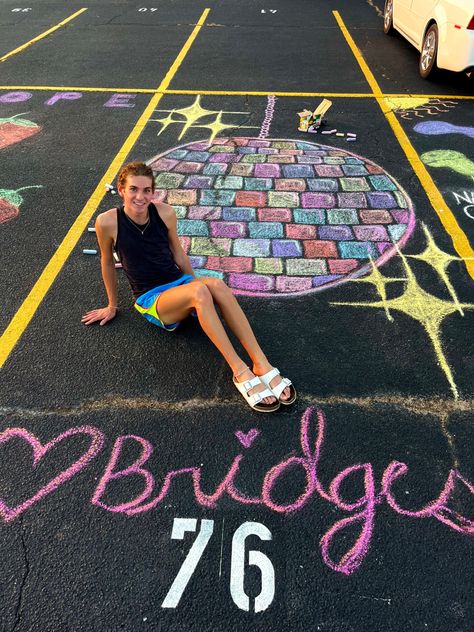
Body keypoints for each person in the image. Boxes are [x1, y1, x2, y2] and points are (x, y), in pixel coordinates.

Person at [82, 161, 296, 413]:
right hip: (152, 298)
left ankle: (261, 363)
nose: (140, 196)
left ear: (153, 192)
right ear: (121, 190)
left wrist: (198, 290)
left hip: (179, 283)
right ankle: (240, 371)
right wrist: (111, 305)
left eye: (147, 190)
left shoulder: (165, 213)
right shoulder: (107, 222)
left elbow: (179, 255)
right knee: (199, 291)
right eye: (133, 189)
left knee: (214, 285)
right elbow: (107, 262)